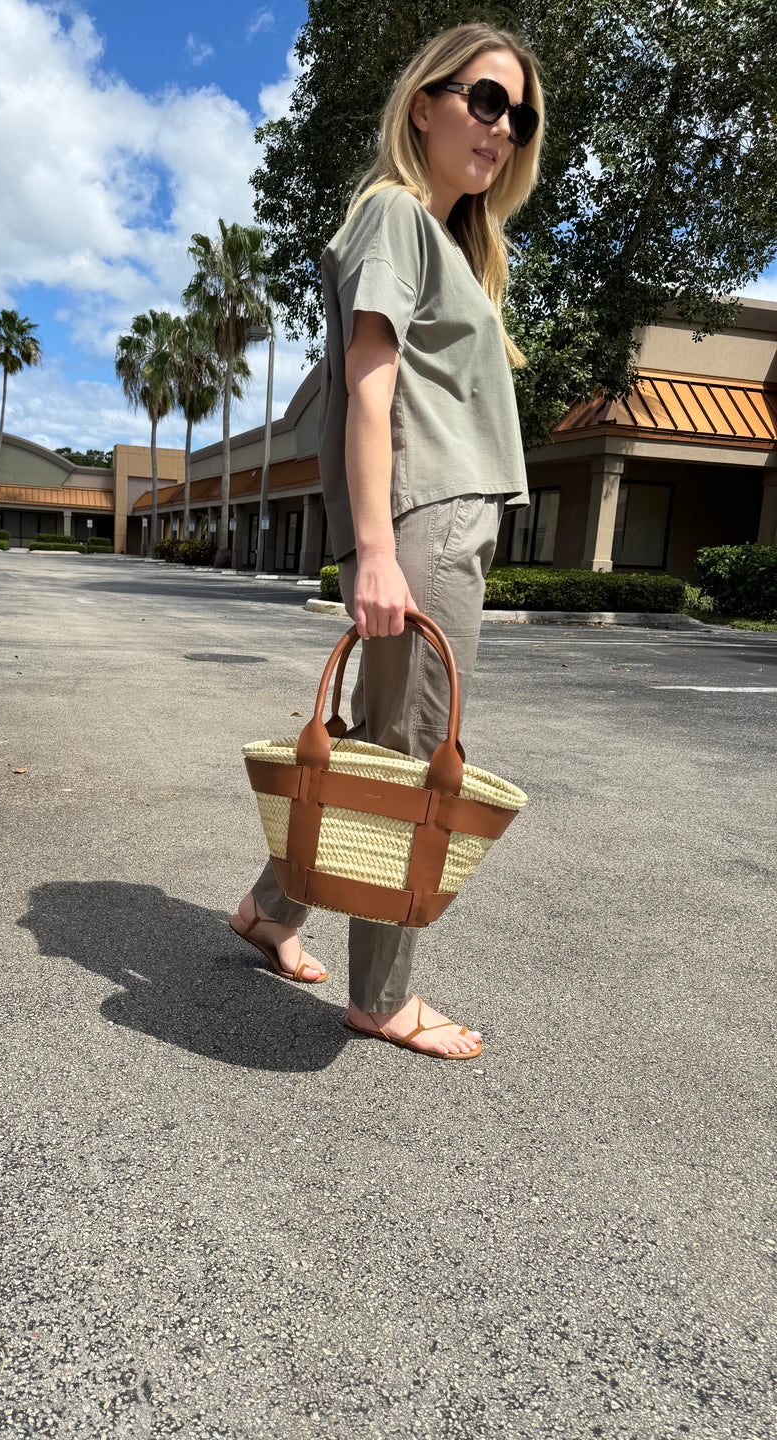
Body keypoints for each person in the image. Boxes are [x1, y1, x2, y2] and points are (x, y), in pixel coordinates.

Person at [230, 22, 545, 1060]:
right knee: (412, 758)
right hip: (425, 522)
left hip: (447, 521)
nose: (502, 127)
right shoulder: (396, 214)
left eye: (520, 115)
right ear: (426, 101)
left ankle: (274, 909)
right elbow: (369, 388)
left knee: (381, 739)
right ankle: (382, 994)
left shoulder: (453, 244)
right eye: (485, 100)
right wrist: (373, 549)